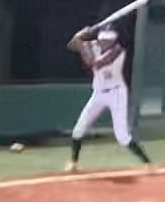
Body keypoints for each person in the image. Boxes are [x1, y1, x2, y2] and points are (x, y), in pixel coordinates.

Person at [64, 23, 153, 173]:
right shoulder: (94, 45)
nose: (106, 43)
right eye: (104, 40)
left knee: (122, 136)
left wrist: (82, 44)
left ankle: (148, 163)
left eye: (109, 40)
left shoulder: (118, 51)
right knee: (79, 129)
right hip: (98, 93)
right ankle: (74, 162)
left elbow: (96, 63)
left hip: (116, 93)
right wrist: (79, 35)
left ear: (114, 40)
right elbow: (71, 45)